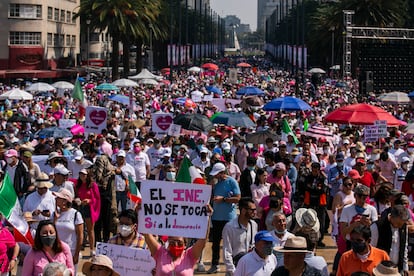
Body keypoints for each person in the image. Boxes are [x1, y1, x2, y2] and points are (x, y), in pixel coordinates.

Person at [143, 214, 210, 275]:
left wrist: (208, 216)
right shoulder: (160, 253)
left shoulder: (190, 256)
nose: (176, 245)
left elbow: (203, 239)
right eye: (172, 243)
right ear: (168, 243)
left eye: (179, 243)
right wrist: (141, 214)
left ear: (185, 244)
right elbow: (147, 235)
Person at [208, 162, 241, 274]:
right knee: (215, 243)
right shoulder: (215, 183)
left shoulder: (232, 182)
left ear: (222, 172)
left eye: (217, 174)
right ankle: (214, 264)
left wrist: (223, 199)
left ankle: (232, 268)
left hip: (228, 218)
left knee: (230, 244)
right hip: (216, 217)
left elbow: (237, 198)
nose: (215, 176)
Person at [222, 197, 258, 275]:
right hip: (235, 268)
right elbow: (227, 252)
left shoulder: (254, 225)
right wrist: (233, 272)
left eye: (255, 209)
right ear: (243, 210)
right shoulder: (229, 227)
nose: (255, 212)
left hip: (250, 268)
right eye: (252, 210)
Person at [370, 205, 410, 275]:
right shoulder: (377, 227)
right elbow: (372, 249)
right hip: (381, 269)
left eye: (402, 224)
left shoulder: (403, 227)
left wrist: (405, 266)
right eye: (398, 223)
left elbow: (404, 247)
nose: (400, 226)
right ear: (392, 217)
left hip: (397, 269)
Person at [52, 188, 84, 267]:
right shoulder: (54, 214)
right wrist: (55, 220)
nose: (56, 199)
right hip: (56, 251)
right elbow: (51, 232)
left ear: (65, 201)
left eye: (58, 198)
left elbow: (80, 235)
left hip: (71, 251)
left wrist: (76, 254)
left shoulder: (75, 214)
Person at [75, 168, 100, 256]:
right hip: (81, 207)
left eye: (84, 174)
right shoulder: (78, 184)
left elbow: (97, 198)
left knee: (90, 229)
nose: (82, 176)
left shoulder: (93, 185)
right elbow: (76, 195)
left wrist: (89, 201)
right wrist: (77, 199)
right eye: (81, 174)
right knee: (79, 230)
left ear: (87, 175)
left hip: (89, 208)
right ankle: (79, 248)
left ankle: (92, 249)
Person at [303, 162, 328, 247]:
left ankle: (320, 239)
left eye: (316, 170)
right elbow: (306, 187)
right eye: (313, 169)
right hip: (310, 202)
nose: (314, 171)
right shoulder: (308, 177)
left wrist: (314, 189)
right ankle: (310, 239)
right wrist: (315, 189)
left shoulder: (322, 178)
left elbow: (323, 190)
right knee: (309, 220)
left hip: (320, 203)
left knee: (321, 222)